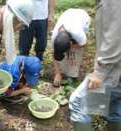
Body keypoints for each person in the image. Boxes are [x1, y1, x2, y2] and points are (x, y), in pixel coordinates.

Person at [69, 0, 121, 131]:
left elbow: (116, 35)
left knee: (79, 102)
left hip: (115, 71)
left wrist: (101, 71)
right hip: (116, 67)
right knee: (114, 106)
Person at [51, 8, 91, 86]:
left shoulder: (77, 33)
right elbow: (54, 54)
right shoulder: (54, 38)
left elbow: (85, 44)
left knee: (75, 50)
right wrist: (57, 73)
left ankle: (72, 75)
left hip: (83, 17)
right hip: (68, 15)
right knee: (62, 51)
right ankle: (65, 69)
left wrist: (71, 45)